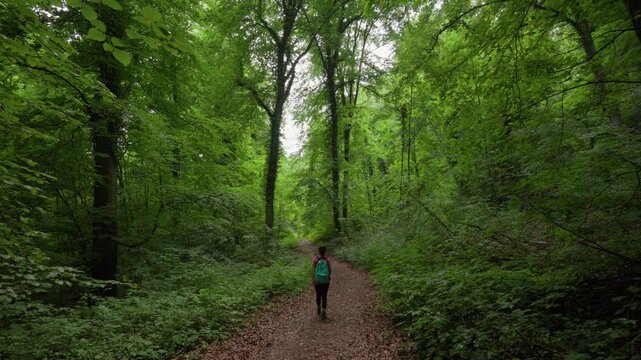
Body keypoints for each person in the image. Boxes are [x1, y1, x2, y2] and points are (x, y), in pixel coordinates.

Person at [312, 245, 331, 319]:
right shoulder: (327, 260)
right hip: (325, 281)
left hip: (317, 280)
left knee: (318, 295)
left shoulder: (315, 259)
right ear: (325, 251)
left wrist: (313, 279)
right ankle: (324, 312)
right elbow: (330, 270)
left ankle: (318, 308)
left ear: (319, 251)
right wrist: (328, 277)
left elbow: (313, 271)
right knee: (324, 296)